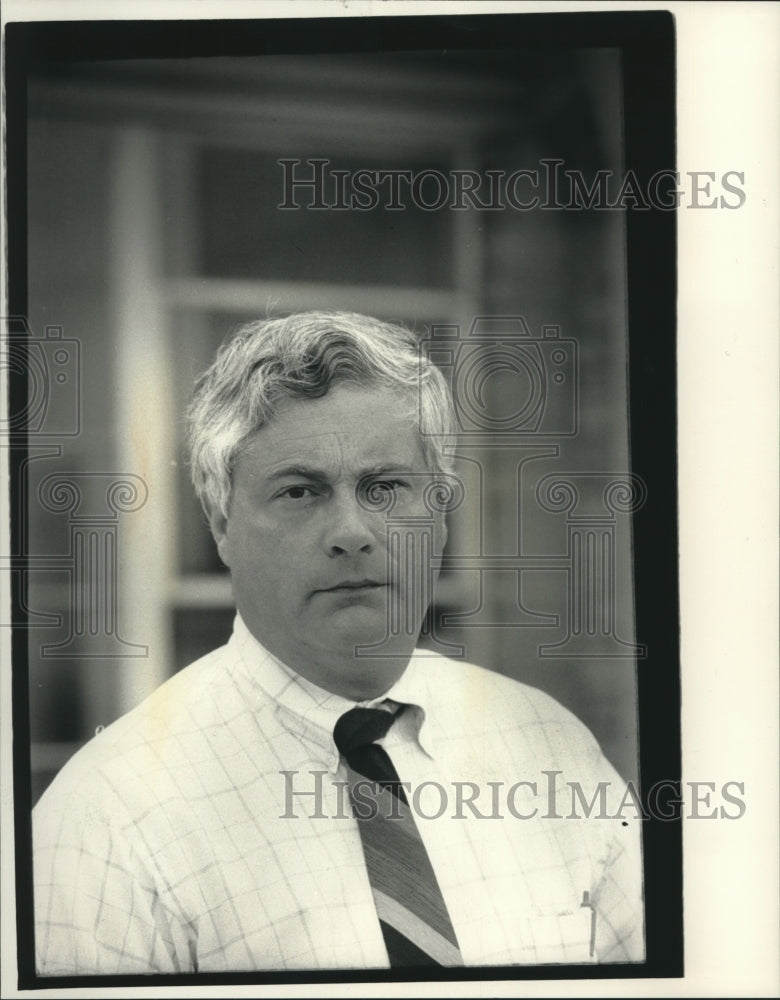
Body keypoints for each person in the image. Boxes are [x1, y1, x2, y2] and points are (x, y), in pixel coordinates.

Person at [33, 311, 644, 974]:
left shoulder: (548, 745)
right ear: (220, 521)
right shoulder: (108, 819)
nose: (351, 532)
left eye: (385, 487)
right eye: (301, 491)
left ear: (439, 515)